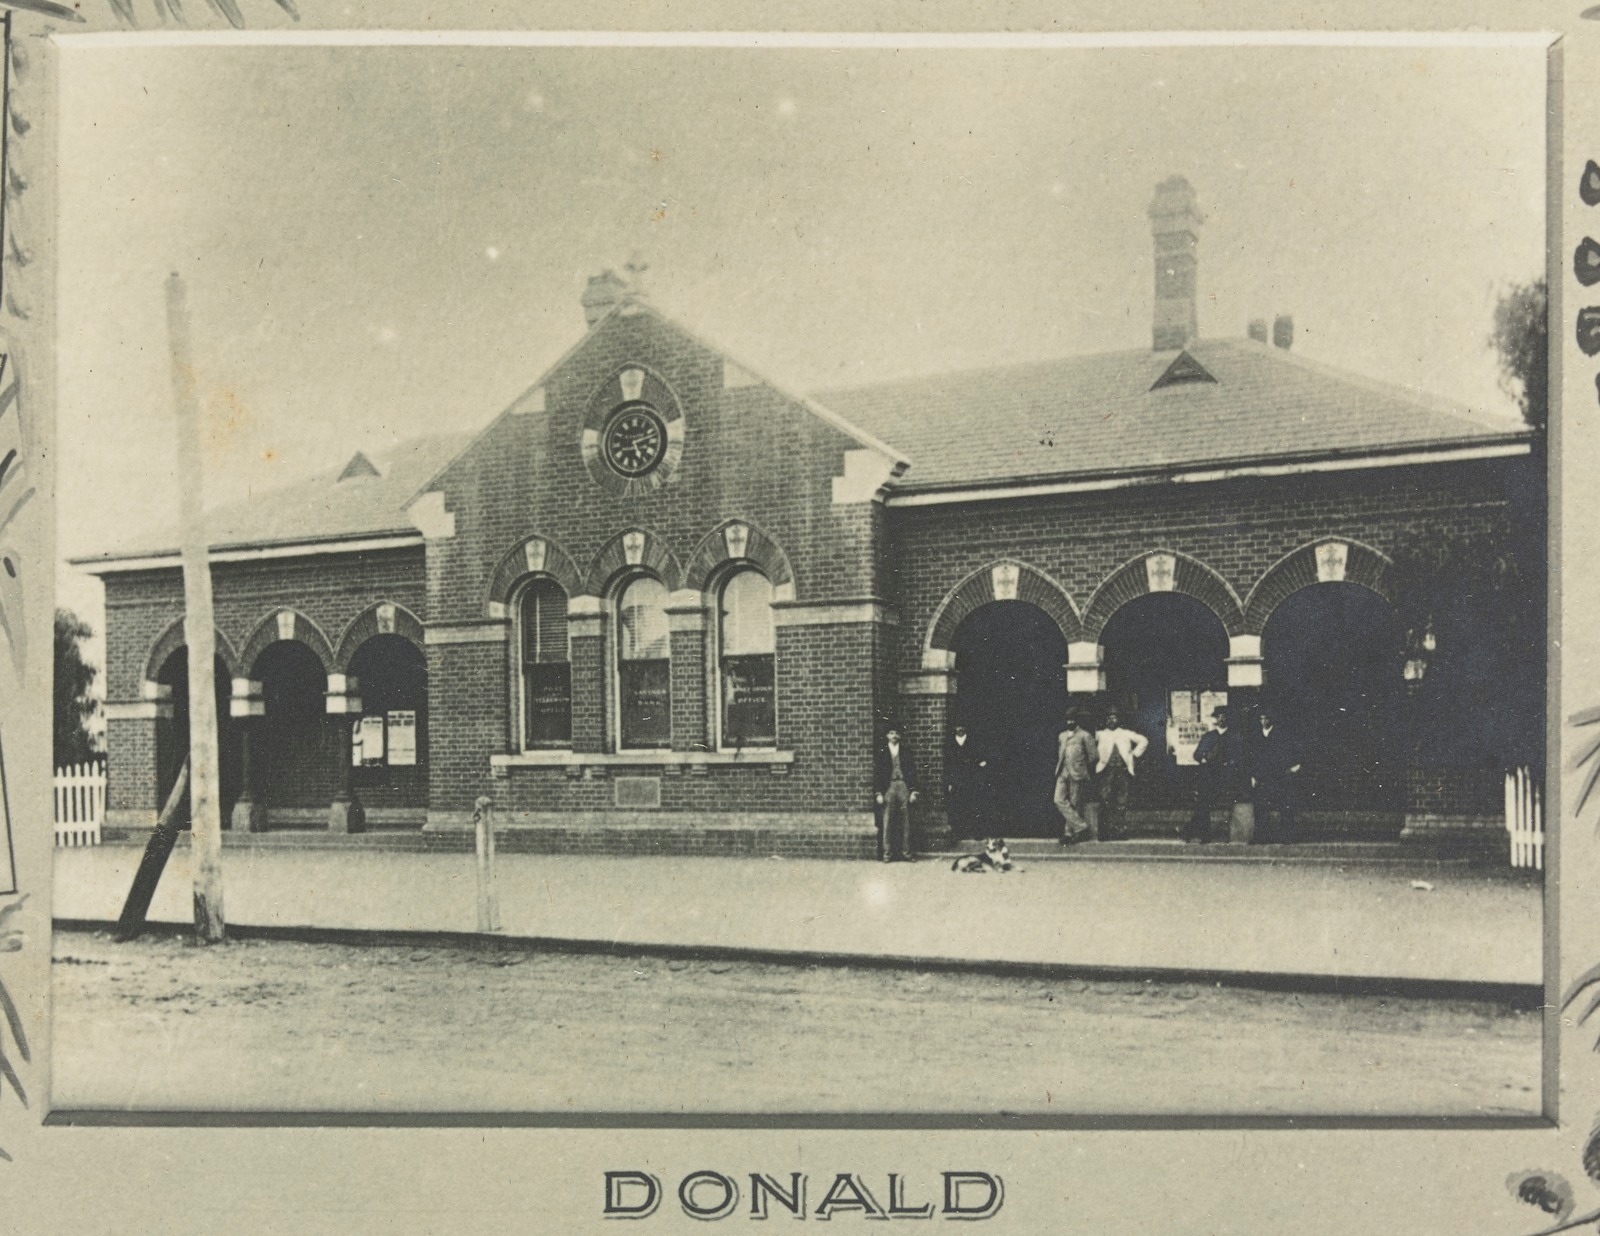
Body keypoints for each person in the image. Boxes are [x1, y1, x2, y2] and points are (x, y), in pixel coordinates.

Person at [1181, 705, 1243, 844]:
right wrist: (1204, 759)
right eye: (1218, 717)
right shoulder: (1209, 736)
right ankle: (1204, 835)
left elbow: (1238, 757)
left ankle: (1189, 831)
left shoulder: (1234, 737)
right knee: (1203, 805)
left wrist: (1230, 764)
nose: (1220, 719)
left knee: (1216, 805)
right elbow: (1197, 754)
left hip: (1225, 776)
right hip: (1208, 775)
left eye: (1223, 716)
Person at [1250, 706, 1304, 844]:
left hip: (1279, 775)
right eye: (1261, 718)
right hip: (1262, 777)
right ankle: (1261, 836)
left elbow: (1289, 753)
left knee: (1285, 806)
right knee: (1261, 807)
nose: (1263, 721)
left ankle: (1287, 836)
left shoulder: (1280, 735)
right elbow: (1253, 758)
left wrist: (1292, 769)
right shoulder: (1256, 736)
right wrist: (1254, 776)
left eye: (1266, 718)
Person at [1095, 707, 1149, 841]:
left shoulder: (1125, 733)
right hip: (1106, 770)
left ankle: (1120, 831)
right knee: (1105, 800)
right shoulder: (1100, 734)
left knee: (1121, 801)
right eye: (1109, 718)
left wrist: (1134, 755)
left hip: (1122, 770)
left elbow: (1143, 740)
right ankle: (1105, 832)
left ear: (1119, 720)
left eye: (1114, 717)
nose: (1111, 720)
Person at [874, 723, 920, 862]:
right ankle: (887, 853)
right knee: (887, 820)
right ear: (887, 735)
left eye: (896, 733)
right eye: (891, 733)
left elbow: (912, 772)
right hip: (889, 786)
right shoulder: (882, 753)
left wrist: (913, 791)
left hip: (903, 785)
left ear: (900, 736)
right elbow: (877, 774)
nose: (894, 736)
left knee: (907, 821)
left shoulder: (906, 752)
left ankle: (907, 853)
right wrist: (878, 793)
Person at [1053, 710, 1096, 845]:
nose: (1070, 722)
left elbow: (1094, 755)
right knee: (1058, 800)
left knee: (1074, 803)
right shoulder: (1062, 736)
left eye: (1072, 719)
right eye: (1068, 720)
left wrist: (1081, 765)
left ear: (1077, 720)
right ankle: (1081, 827)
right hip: (1062, 771)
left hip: (1077, 773)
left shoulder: (1085, 735)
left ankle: (1069, 833)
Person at [943, 723, 990, 842]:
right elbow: (947, 765)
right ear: (954, 728)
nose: (960, 729)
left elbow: (980, 759)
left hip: (971, 778)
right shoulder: (950, 745)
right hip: (957, 780)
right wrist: (949, 782)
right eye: (958, 727)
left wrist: (979, 767)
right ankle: (959, 832)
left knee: (974, 805)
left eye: (962, 726)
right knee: (958, 806)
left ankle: (977, 832)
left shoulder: (973, 742)